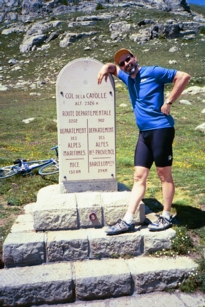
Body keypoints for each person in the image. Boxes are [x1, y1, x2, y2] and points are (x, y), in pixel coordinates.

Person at [97, 48, 190, 234]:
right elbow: (113, 68)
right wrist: (104, 68)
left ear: (134, 57)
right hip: (144, 134)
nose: (125, 64)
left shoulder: (152, 72)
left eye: (128, 59)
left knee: (164, 175)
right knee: (139, 176)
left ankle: (165, 216)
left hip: (161, 129)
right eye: (122, 62)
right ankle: (128, 220)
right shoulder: (126, 76)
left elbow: (184, 76)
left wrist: (169, 101)